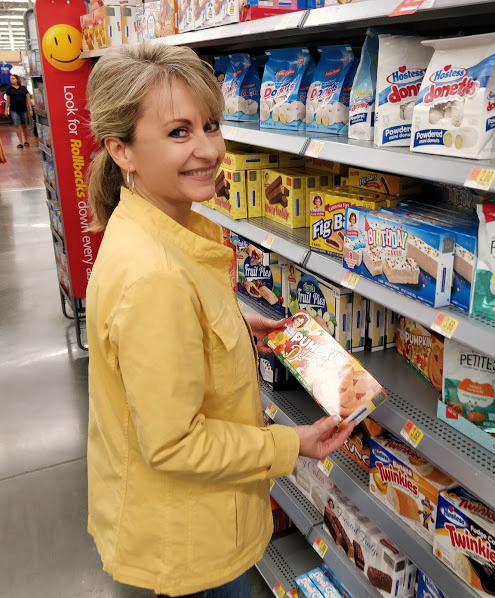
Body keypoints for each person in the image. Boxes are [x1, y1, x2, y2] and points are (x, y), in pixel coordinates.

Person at [85, 43, 355, 598]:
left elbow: (168, 338)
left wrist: (233, 322)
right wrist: (292, 444)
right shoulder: (154, 277)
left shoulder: (157, 232)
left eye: (210, 125)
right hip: (191, 539)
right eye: (178, 132)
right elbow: (175, 444)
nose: (209, 149)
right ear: (122, 150)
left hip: (185, 516)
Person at [5, 74, 32, 148]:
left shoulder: (23, 88)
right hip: (13, 109)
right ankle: (20, 142)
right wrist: (6, 109)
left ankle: (26, 140)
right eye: (10, 78)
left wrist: (30, 109)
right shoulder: (9, 88)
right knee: (17, 125)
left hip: (23, 109)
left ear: (17, 79)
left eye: (13, 78)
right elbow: (8, 99)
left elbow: (28, 99)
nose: (11, 80)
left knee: (24, 125)